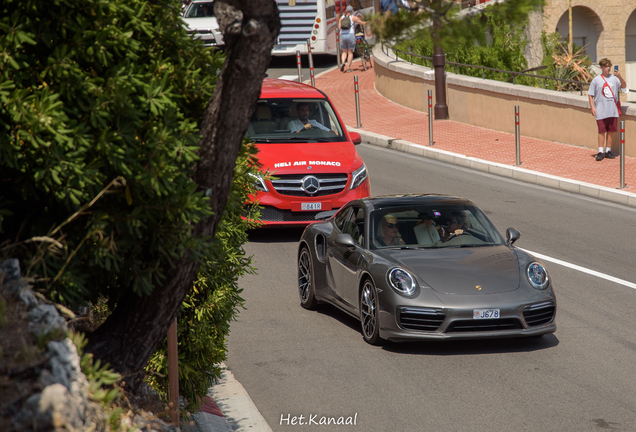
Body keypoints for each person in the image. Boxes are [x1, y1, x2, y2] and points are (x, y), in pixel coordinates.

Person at [588, 58, 628, 161]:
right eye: (606, 66)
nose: (608, 68)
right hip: (601, 110)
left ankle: (608, 151)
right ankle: (600, 151)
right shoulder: (596, 80)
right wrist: (592, 107)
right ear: (601, 68)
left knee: (610, 131)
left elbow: (624, 87)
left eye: (609, 66)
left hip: (612, 110)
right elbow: (590, 94)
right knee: (602, 131)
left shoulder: (614, 79)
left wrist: (619, 76)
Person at [338, 5, 366, 73]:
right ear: (352, 11)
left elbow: (339, 28)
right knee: (350, 52)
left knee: (344, 52)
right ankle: (348, 67)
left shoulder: (341, 18)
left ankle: (343, 63)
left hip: (342, 35)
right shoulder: (353, 17)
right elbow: (361, 23)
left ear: (346, 11)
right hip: (350, 35)